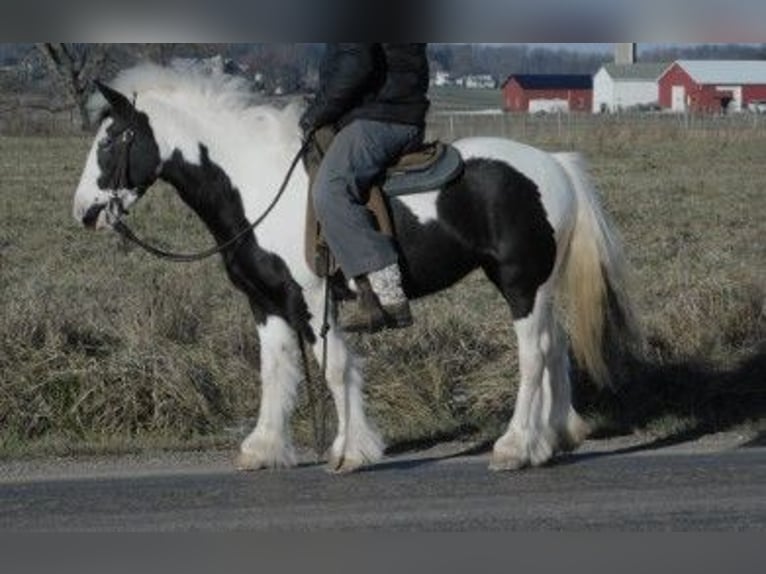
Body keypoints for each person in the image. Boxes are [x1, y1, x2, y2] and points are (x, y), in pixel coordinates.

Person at [300, 43, 430, 333]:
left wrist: (316, 113)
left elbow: (356, 64)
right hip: (392, 111)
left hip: (383, 117)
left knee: (329, 188)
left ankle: (388, 291)